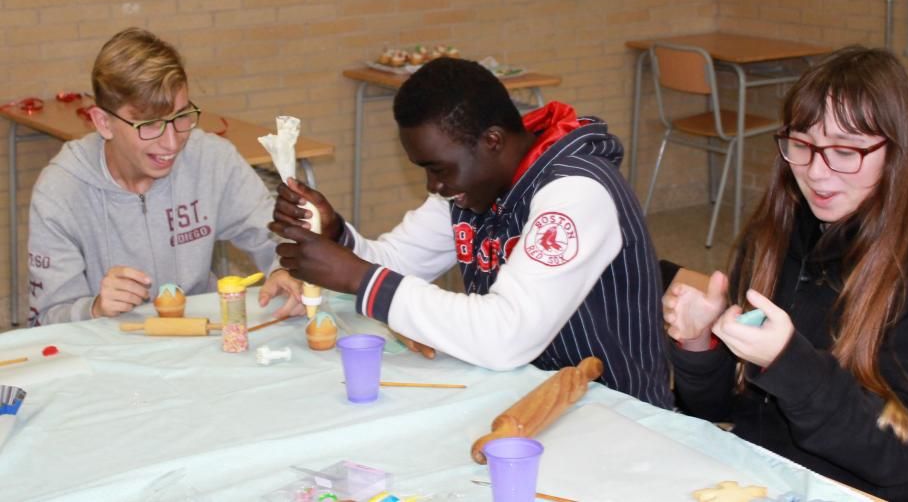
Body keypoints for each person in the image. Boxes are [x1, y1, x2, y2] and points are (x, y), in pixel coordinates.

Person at [663, 46, 908, 501]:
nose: (816, 172)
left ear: (895, 151)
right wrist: (700, 345)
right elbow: (725, 409)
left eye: (845, 151)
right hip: (765, 473)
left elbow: (905, 447)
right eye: (802, 145)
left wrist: (789, 364)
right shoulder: (778, 230)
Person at [270, 57, 672, 408]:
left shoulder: (575, 194)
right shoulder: (470, 186)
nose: (434, 186)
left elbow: (505, 335)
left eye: (438, 169)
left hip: (613, 414)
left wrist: (357, 276)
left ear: (492, 141)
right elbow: (399, 264)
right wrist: (337, 235)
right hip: (522, 395)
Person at [28, 27, 302, 325]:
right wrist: (93, 308)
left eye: (181, 117)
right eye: (149, 125)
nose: (172, 143)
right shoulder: (60, 190)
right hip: (110, 351)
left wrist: (282, 270)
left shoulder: (211, 160)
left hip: (200, 339)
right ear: (103, 122)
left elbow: (278, 237)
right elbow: (46, 319)